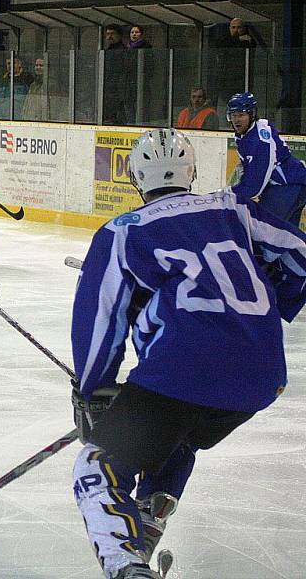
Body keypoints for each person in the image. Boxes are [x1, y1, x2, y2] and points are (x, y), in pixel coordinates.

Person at [70, 128, 306, 579]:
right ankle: (151, 513)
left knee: (98, 466)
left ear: (135, 176)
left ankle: (125, 567)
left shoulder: (123, 231)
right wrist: (274, 301)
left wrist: (92, 388)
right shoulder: (233, 207)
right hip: (262, 376)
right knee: (178, 433)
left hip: (182, 371)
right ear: (192, 171)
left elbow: (101, 316)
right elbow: (299, 254)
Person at [227, 91, 306, 227]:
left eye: (241, 115)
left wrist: (227, 194)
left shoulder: (258, 142)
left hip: (286, 187)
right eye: (233, 115)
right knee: (288, 239)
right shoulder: (251, 132)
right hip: (295, 184)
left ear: (251, 115)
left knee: (262, 231)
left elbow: (254, 187)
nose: (236, 120)